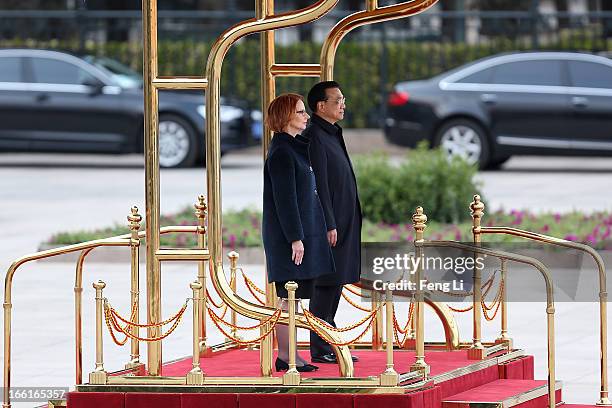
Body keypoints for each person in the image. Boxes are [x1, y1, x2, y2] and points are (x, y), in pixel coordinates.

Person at [262, 93, 335, 372]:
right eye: (301, 112)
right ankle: (286, 356)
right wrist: (295, 238)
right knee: (287, 297)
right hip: (288, 238)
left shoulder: (292, 147)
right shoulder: (281, 152)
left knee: (293, 297)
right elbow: (285, 200)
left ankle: (290, 354)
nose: (306, 117)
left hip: (301, 235)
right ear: (286, 117)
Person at [303, 81, 362, 364]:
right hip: (332, 222)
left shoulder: (331, 132)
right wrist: (328, 222)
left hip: (343, 218)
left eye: (344, 98)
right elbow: (320, 184)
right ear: (321, 106)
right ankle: (320, 344)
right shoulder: (315, 134)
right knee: (325, 282)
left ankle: (330, 337)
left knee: (336, 280)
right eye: (337, 100)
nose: (343, 104)